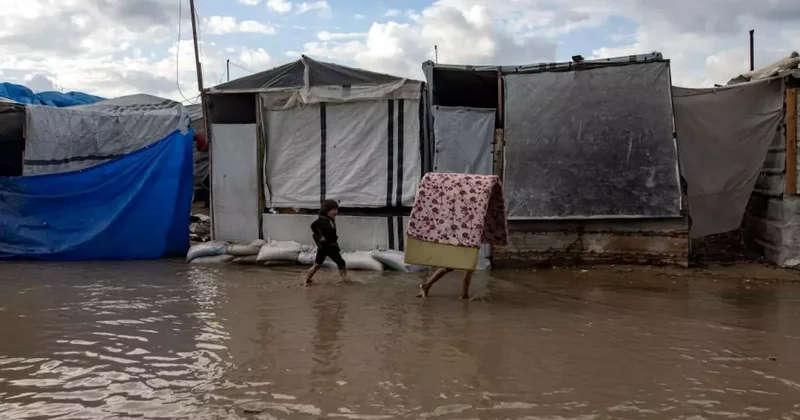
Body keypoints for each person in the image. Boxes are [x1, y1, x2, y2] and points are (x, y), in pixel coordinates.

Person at [304, 199, 349, 285]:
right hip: (328, 246)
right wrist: (321, 237)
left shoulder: (330, 220)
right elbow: (313, 226)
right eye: (334, 209)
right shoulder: (323, 220)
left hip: (324, 247)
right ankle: (345, 281)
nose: (336, 212)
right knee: (341, 262)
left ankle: (307, 280)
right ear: (327, 210)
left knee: (317, 265)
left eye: (337, 209)